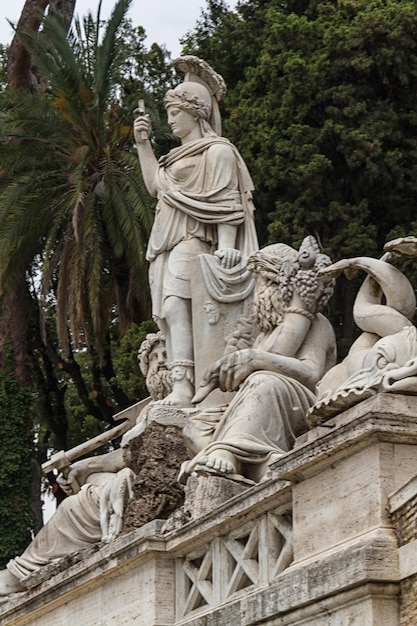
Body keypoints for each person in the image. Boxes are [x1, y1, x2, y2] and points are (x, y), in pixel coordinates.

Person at [0, 333, 171, 596]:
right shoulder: (150, 410)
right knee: (87, 492)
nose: (160, 363)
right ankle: (25, 570)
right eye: (153, 359)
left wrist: (85, 466)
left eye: (166, 355)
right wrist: (82, 473)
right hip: (133, 474)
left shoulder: (172, 405)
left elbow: (131, 456)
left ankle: (23, 571)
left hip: (155, 474)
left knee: (73, 507)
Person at [133, 55, 258, 408]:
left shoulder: (218, 152)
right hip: (164, 244)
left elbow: (227, 203)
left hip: (193, 241)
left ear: (196, 112)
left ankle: (185, 387)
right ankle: (180, 385)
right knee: (168, 317)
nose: (170, 119)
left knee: (177, 309)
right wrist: (143, 144)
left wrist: (229, 247)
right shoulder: (173, 157)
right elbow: (156, 187)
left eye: (176, 112)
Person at [180, 239, 337, 483]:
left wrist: (255, 360)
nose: (257, 293)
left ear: (277, 283)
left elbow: (311, 373)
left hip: (299, 402)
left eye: (261, 282)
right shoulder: (264, 334)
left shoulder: (316, 323)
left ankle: (228, 453)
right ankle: (250, 465)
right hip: (262, 402)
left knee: (264, 381)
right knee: (197, 425)